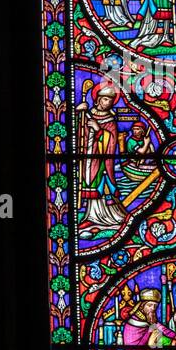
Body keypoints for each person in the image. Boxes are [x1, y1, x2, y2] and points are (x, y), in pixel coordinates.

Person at [76, 83, 128, 236]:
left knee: (99, 185)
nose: (108, 103)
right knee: (88, 183)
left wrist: (98, 129)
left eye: (110, 101)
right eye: (105, 99)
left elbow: (111, 142)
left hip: (101, 160)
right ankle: (90, 216)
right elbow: (77, 132)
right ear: (98, 99)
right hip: (87, 156)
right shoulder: (88, 113)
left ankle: (105, 216)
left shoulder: (110, 120)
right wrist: (79, 113)